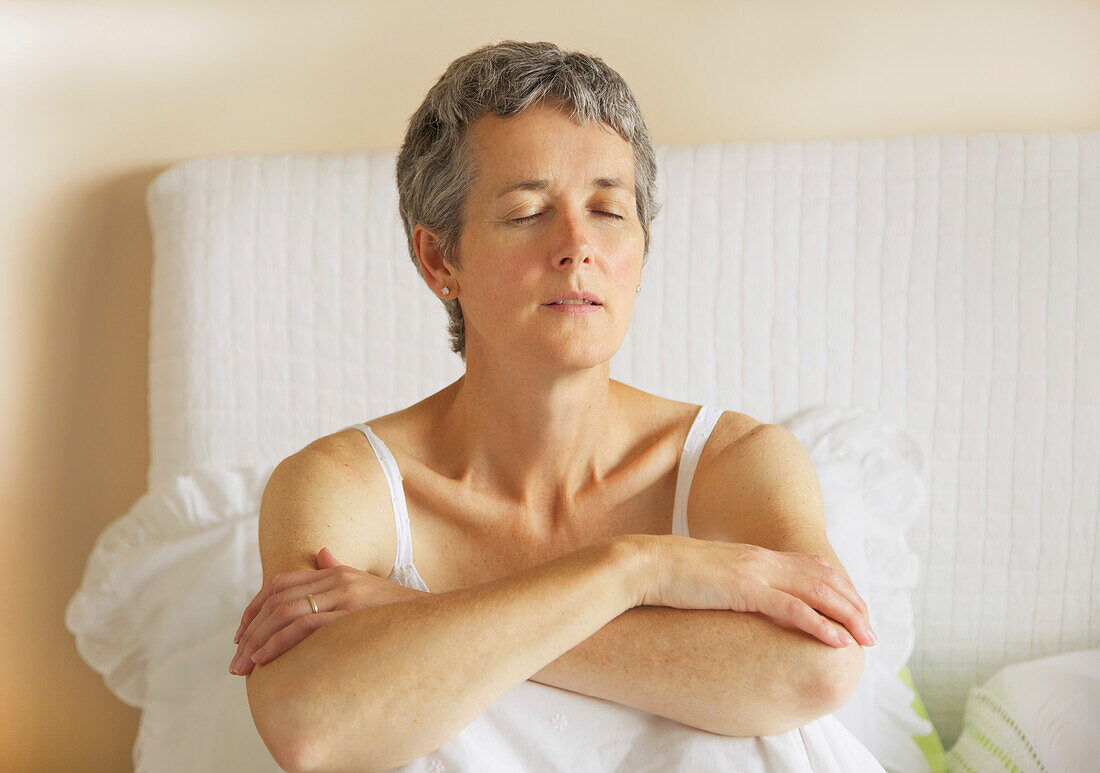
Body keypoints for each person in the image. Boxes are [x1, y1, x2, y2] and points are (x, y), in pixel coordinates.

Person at [229, 40, 884, 772]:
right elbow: (309, 725)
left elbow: (820, 666)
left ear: (640, 251)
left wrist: (413, 615)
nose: (578, 247)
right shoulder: (343, 482)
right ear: (440, 259)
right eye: (527, 212)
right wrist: (632, 571)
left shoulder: (736, 459)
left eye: (609, 210)